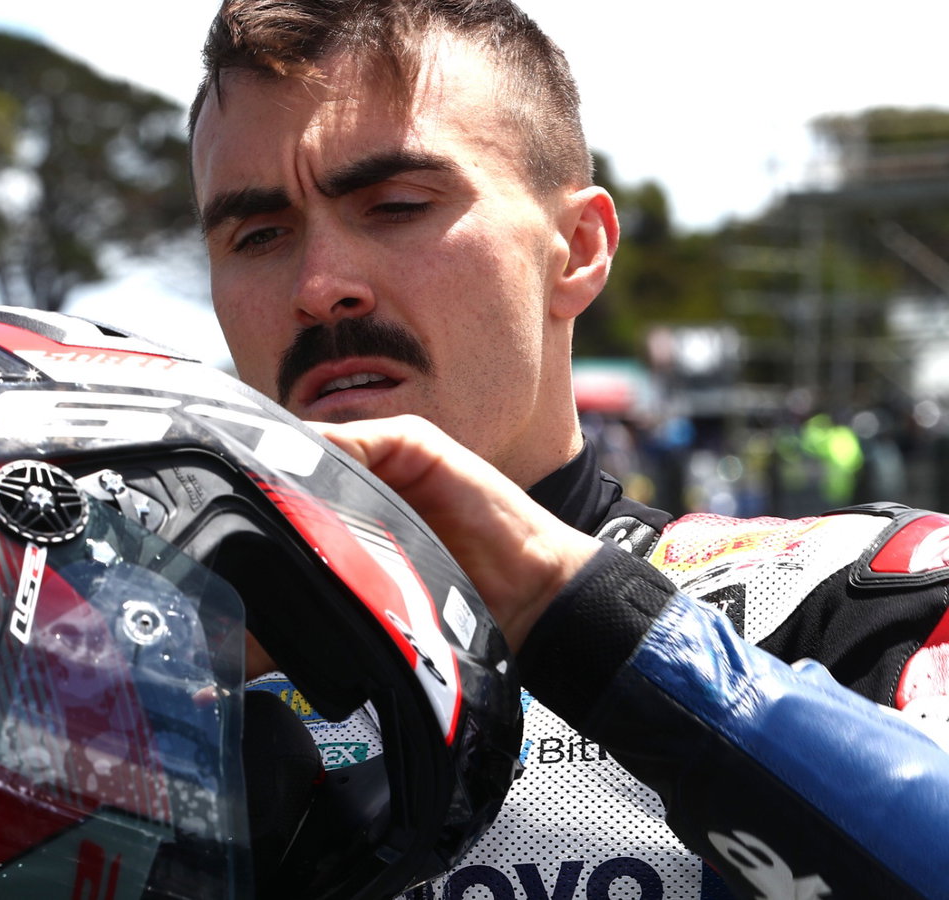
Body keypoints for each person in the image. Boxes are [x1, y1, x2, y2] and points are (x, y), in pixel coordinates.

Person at [187, 1, 949, 897]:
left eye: (395, 206)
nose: (320, 288)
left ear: (579, 249)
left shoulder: (846, 595)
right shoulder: (130, 673)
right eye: (259, 235)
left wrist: (580, 615)